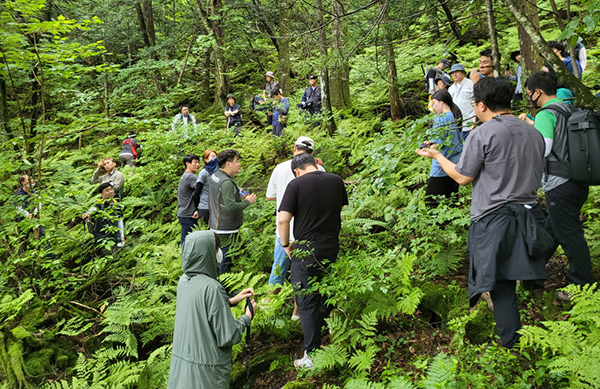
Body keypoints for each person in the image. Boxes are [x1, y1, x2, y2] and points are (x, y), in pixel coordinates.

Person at [416, 77, 548, 348]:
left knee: (500, 284)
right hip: (530, 215)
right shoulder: (532, 132)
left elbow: (463, 177)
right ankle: (521, 340)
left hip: (494, 218)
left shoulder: (483, 133)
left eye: (475, 103)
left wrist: (438, 157)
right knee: (514, 276)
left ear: (482, 105)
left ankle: (511, 345)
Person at [520, 71, 593, 301]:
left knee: (570, 235)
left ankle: (582, 286)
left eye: (530, 93)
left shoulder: (545, 114)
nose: (529, 97)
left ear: (537, 92)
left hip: (558, 184)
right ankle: (531, 275)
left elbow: (543, 148)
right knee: (552, 230)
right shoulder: (567, 108)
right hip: (577, 181)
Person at [278, 153, 348, 368]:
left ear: (296, 171)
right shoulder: (336, 180)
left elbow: (283, 219)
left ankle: (312, 355)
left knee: (306, 302)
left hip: (305, 248)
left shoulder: (295, 184)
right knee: (325, 288)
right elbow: (339, 209)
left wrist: (285, 245)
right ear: (317, 164)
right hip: (331, 245)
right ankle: (334, 328)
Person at [167, 230, 257, 389]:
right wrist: (247, 317)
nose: (219, 253)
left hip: (183, 371)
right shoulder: (212, 288)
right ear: (206, 253)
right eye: (216, 249)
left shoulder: (184, 281)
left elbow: (199, 309)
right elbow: (228, 336)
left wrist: (229, 301)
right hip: (206, 375)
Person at [265, 136, 325, 319]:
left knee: (278, 270)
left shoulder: (280, 168)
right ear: (312, 154)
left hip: (284, 231)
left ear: (294, 148)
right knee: (305, 274)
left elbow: (270, 196)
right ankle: (297, 313)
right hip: (309, 231)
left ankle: (266, 312)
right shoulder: (319, 169)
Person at [208, 149, 257, 275]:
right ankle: (225, 292)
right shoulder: (226, 182)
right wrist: (248, 202)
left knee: (218, 259)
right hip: (226, 229)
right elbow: (230, 205)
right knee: (225, 262)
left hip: (215, 225)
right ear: (228, 164)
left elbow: (226, 194)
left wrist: (241, 193)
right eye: (237, 161)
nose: (239, 164)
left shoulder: (216, 175)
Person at [424, 90, 463, 209]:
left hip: (442, 165)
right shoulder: (453, 115)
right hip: (455, 163)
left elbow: (436, 146)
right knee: (451, 199)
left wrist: (426, 149)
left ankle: (437, 226)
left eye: (434, 103)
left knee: (430, 201)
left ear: (442, 102)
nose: (433, 107)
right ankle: (451, 224)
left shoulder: (441, 118)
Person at [82, 182, 125, 254]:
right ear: (102, 194)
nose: (111, 191)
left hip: (114, 235)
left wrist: (122, 236)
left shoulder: (116, 203)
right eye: (107, 190)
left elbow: (119, 220)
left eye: (111, 189)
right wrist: (87, 214)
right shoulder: (99, 203)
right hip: (102, 237)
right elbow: (93, 209)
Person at [15, 174, 47, 254]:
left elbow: (39, 203)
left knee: (43, 238)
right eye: (28, 180)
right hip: (23, 222)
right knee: (23, 242)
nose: (32, 181)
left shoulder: (35, 193)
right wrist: (27, 215)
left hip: (36, 220)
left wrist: (33, 214)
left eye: (32, 179)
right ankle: (20, 260)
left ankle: (51, 257)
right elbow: (18, 208)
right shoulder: (17, 195)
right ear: (23, 182)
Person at [177, 154, 200, 246]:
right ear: (187, 164)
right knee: (188, 243)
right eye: (195, 162)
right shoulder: (190, 177)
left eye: (198, 162)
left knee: (186, 241)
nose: (197, 165)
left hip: (184, 212)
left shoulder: (185, 176)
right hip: (189, 214)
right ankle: (186, 259)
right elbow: (201, 190)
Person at [448, 63, 475, 134]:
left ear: (463, 72)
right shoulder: (451, 89)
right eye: (452, 73)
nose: (454, 74)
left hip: (470, 122)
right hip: (456, 125)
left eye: (457, 72)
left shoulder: (471, 84)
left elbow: (477, 103)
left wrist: (474, 122)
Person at [193, 149, 218, 225]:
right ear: (206, 159)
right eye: (213, 156)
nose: (215, 158)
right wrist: (196, 209)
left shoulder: (217, 173)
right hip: (205, 207)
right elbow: (197, 192)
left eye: (216, 156)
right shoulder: (203, 173)